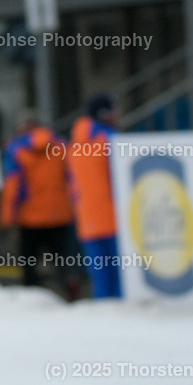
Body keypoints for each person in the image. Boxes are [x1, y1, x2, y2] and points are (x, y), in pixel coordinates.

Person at [0, 111, 77, 299]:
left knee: (29, 262)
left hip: (29, 217)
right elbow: (72, 178)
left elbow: (13, 185)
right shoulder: (60, 145)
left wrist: (7, 216)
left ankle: (32, 298)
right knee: (62, 259)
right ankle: (71, 291)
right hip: (59, 213)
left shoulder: (16, 150)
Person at [67, 95, 121, 299]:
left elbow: (72, 185)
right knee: (120, 278)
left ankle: (104, 313)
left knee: (100, 277)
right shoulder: (109, 139)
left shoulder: (74, 145)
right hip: (114, 216)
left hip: (87, 219)